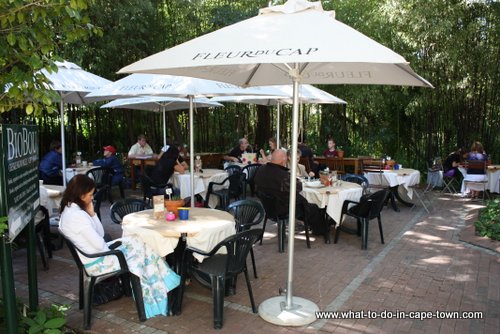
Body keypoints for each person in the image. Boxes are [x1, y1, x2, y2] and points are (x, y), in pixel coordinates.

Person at [58, 174, 180, 318]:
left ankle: (162, 284)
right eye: (90, 195)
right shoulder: (77, 216)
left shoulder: (69, 210)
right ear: (81, 194)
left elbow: (101, 234)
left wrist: (92, 214)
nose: (92, 198)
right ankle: (158, 293)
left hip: (94, 256)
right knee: (142, 251)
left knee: (138, 242)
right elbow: (99, 244)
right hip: (99, 261)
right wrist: (90, 215)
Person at [254, 149, 330, 242]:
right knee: (314, 207)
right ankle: (321, 230)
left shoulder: (261, 169)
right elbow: (298, 187)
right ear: (283, 160)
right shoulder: (282, 175)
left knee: (309, 206)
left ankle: (319, 226)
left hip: (268, 207)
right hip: (285, 208)